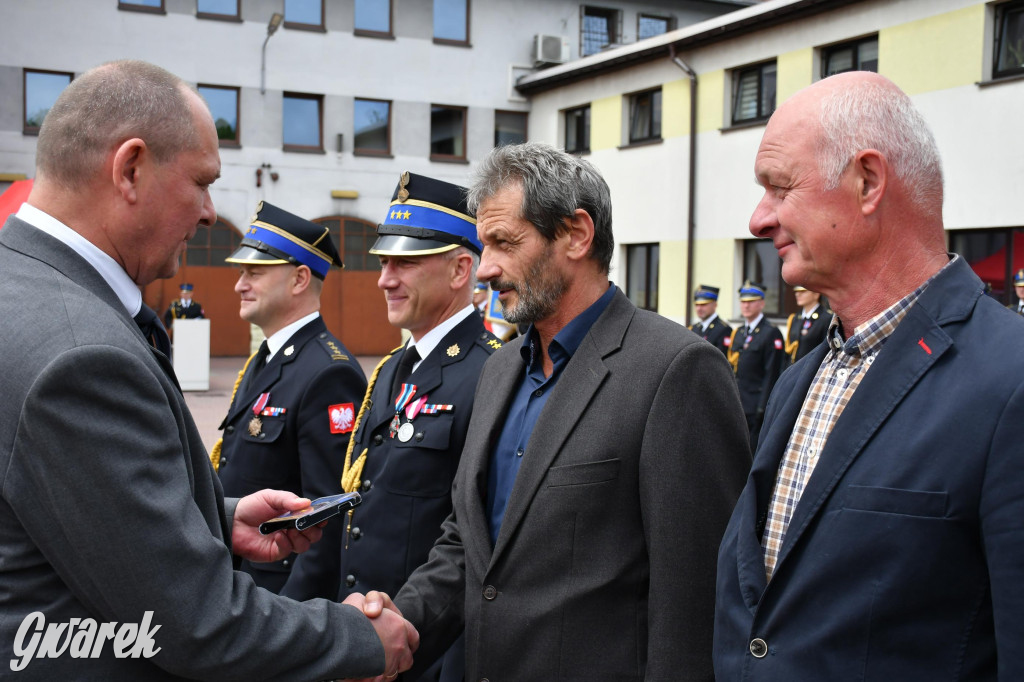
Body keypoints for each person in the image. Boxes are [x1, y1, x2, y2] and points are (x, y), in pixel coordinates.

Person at [0, 59, 415, 679]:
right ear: (130, 169)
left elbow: (73, 500)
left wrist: (213, 515)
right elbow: (192, 620)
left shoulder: (24, 286)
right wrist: (357, 639)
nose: (207, 212)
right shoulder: (84, 354)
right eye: (201, 182)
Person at [382, 142, 750, 681]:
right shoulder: (500, 369)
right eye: (484, 246)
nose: (485, 269)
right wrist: (397, 626)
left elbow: (694, 604)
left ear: (577, 234)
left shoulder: (676, 370)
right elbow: (470, 542)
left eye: (505, 243)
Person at [715, 71, 1024, 680]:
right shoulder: (798, 382)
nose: (758, 219)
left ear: (867, 181)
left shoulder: (1010, 379)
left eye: (779, 187)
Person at [338, 172, 501, 681]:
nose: (385, 278)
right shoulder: (391, 368)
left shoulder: (495, 371)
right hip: (364, 632)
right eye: (384, 262)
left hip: (429, 649)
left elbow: (475, 536)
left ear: (460, 270)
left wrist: (402, 631)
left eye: (404, 262)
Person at [212, 201, 367, 599]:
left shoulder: (328, 372)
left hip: (275, 594)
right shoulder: (264, 359)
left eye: (255, 273)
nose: (239, 284)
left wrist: (292, 617)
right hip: (239, 577)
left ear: (300, 279)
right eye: (242, 272)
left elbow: (327, 517)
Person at [727, 281, 784, 450]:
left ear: (762, 303)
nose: (746, 305)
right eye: (743, 301)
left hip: (755, 405)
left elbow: (772, 373)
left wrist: (763, 406)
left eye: (751, 301)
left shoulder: (770, 332)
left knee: (751, 452)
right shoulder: (738, 333)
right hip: (737, 402)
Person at [782, 285, 829, 363]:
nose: (797, 294)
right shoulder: (795, 318)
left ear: (816, 294)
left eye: (803, 291)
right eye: (796, 292)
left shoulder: (825, 318)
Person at [689, 284, 732, 355]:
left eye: (703, 304)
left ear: (715, 305)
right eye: (697, 305)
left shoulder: (723, 329)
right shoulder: (693, 328)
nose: (699, 308)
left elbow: (722, 358)